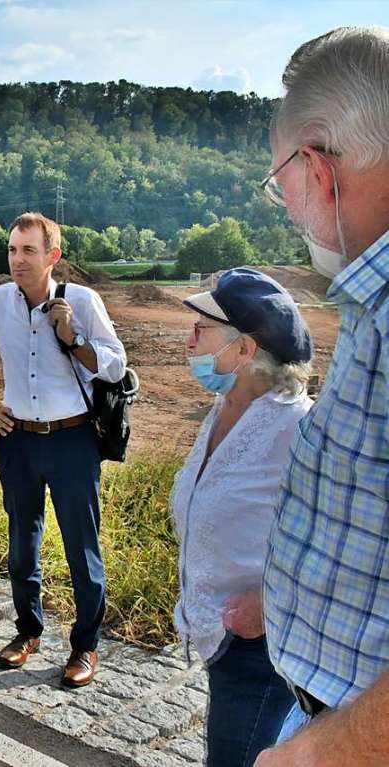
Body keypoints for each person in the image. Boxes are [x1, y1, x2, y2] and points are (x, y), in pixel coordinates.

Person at [252, 26, 389, 766]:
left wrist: (323, 752)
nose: (286, 204)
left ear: (317, 166)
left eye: (281, 183)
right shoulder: (373, 304)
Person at [0, 212, 126, 686]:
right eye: (12, 250)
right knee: (22, 544)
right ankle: (28, 631)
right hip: (18, 442)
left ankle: (85, 646)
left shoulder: (83, 300)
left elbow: (115, 367)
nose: (17, 259)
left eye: (29, 250)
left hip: (73, 441)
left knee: (81, 547)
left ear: (53, 256)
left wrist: (74, 339)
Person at [173, 268, 312, 767]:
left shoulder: (299, 427)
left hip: (262, 648)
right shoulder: (224, 407)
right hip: (222, 636)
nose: (188, 342)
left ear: (245, 349)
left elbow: (336, 541)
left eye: (200, 330)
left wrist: (268, 601)